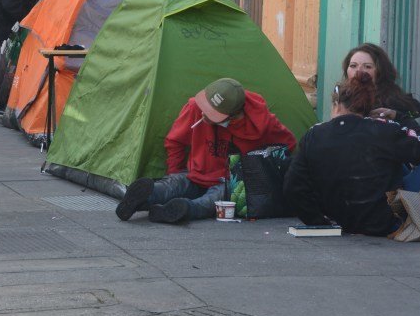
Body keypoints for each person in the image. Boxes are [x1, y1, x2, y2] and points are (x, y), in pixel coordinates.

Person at [283, 75, 420, 236]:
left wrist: (319, 222)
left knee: (394, 164)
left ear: (336, 104)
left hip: (343, 221)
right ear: (368, 108)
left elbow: (293, 187)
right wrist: (398, 117)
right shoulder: (381, 129)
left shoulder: (314, 135)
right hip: (390, 222)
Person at [116, 78, 297, 224]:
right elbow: (175, 142)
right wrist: (173, 171)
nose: (204, 114)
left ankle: (179, 208)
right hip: (195, 174)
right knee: (175, 184)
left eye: (212, 113)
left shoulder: (262, 123)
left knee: (211, 200)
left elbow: (287, 145)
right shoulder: (195, 106)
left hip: (229, 182)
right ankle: (148, 197)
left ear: (232, 116)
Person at [342, 43, 420, 134]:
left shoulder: (391, 99)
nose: (358, 71)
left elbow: (415, 111)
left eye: (367, 66)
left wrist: (395, 115)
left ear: (380, 72)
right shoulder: (342, 96)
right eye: (353, 66)